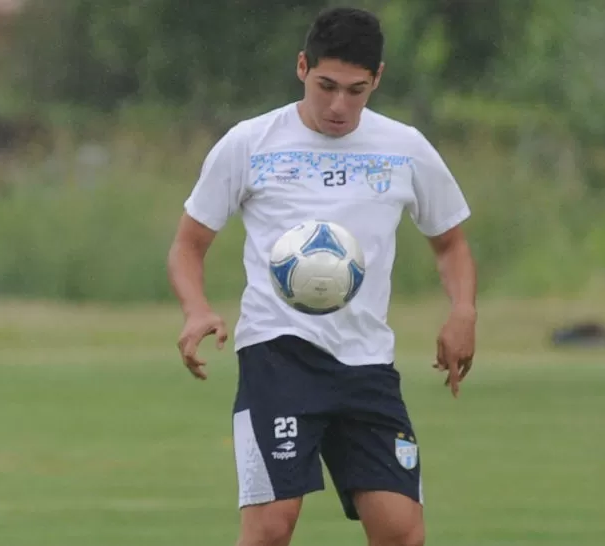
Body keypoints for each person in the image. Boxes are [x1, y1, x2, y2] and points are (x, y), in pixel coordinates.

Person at [167, 6, 477, 546]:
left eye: (356, 90)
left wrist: (463, 310)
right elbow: (187, 246)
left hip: (367, 364)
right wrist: (197, 308)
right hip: (278, 355)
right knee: (270, 527)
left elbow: (449, 242)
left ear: (377, 79)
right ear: (302, 67)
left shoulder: (404, 150)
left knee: (402, 532)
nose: (339, 105)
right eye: (326, 85)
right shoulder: (251, 144)